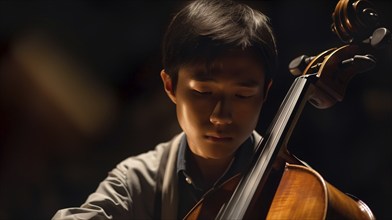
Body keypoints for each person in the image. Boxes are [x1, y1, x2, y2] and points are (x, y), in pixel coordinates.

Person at [52, 0, 277, 219]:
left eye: (242, 95)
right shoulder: (137, 180)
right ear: (170, 86)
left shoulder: (291, 187)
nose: (220, 116)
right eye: (203, 92)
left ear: (265, 93)